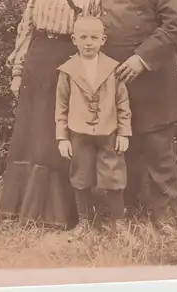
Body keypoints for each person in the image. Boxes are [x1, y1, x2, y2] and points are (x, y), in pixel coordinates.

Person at [0, 0, 101, 229]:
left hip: (68, 62)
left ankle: (57, 214)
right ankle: (22, 210)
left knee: (57, 131)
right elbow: (26, 33)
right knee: (31, 131)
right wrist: (18, 72)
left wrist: (88, 74)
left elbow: (94, 34)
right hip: (37, 62)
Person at [97, 0, 177, 229]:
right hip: (114, 75)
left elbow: (176, 25)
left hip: (152, 73)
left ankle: (164, 216)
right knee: (123, 143)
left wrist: (141, 58)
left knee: (158, 147)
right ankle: (128, 210)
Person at [55, 16, 132, 237]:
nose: (88, 42)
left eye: (94, 37)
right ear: (74, 39)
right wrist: (62, 137)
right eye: (83, 37)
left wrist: (124, 133)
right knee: (81, 177)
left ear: (103, 40)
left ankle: (119, 224)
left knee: (114, 176)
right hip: (78, 133)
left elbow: (122, 103)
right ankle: (84, 223)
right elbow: (60, 106)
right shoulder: (67, 71)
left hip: (109, 132)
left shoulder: (113, 68)